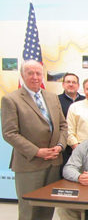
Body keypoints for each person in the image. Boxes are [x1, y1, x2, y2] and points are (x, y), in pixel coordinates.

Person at [1, 60, 67, 220]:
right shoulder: (11, 99)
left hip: (53, 162)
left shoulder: (52, 97)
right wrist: (37, 151)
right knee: (29, 211)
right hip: (29, 164)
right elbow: (10, 133)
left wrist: (59, 146)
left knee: (47, 209)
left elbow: (63, 125)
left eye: (38, 73)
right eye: (30, 73)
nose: (35, 77)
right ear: (23, 75)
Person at [58, 73, 85, 176]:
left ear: (78, 85)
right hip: (65, 147)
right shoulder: (56, 100)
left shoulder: (85, 100)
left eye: (74, 82)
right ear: (63, 84)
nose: (71, 84)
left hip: (83, 147)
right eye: (68, 82)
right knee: (66, 175)